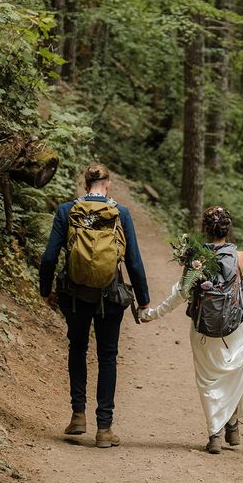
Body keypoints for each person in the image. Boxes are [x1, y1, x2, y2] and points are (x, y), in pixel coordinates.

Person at [139, 205, 243, 454]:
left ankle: (215, 435)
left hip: (202, 330)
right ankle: (232, 423)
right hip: (234, 328)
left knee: (208, 382)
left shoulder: (196, 259)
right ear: (228, 230)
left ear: (205, 230)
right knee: (234, 373)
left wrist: (152, 314)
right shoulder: (240, 258)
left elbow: (181, 293)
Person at [39, 164, 150, 448]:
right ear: (108, 184)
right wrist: (143, 299)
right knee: (108, 356)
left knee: (77, 348)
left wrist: (45, 290)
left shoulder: (67, 211)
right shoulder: (121, 214)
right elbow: (134, 262)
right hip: (110, 295)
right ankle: (104, 428)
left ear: (84, 183)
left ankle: (78, 415)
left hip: (74, 294)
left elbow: (50, 257)